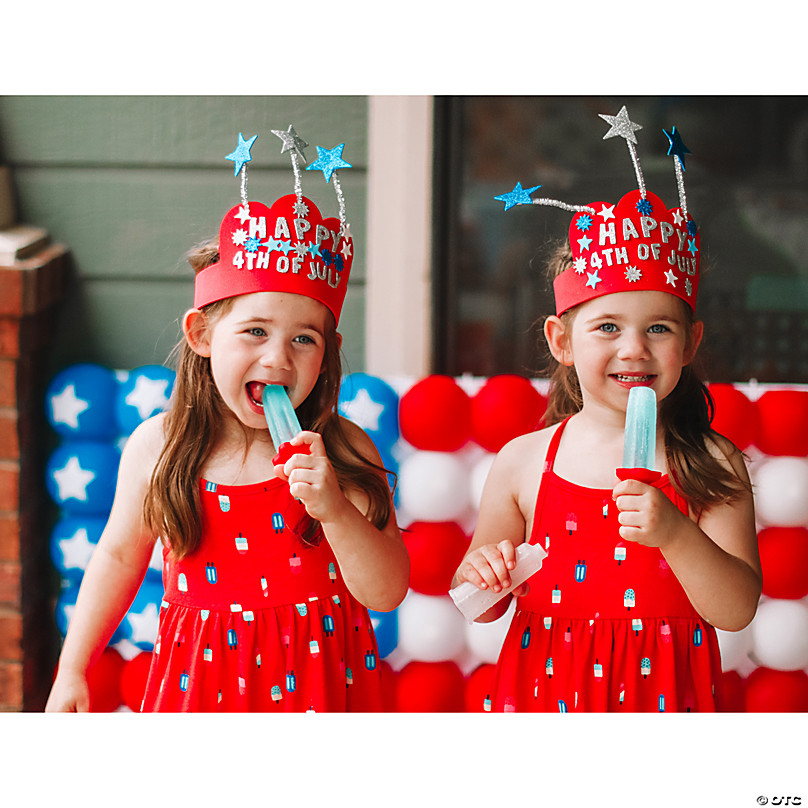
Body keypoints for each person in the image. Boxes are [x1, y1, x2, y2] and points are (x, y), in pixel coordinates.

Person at [46, 131, 409, 712]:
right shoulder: (158, 447)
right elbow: (117, 557)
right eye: (255, 331)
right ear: (202, 335)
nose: (277, 358)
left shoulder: (343, 449)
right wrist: (73, 670)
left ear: (328, 351)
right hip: (200, 688)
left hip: (316, 689)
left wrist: (333, 507)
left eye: (303, 339)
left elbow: (386, 592)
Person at [453, 108, 761, 712]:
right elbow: (479, 602)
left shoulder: (710, 460)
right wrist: (485, 572)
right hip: (547, 693)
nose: (634, 349)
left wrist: (673, 531)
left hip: (662, 697)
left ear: (691, 343)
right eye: (608, 327)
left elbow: (734, 609)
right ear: (561, 342)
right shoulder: (524, 461)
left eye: (659, 328)